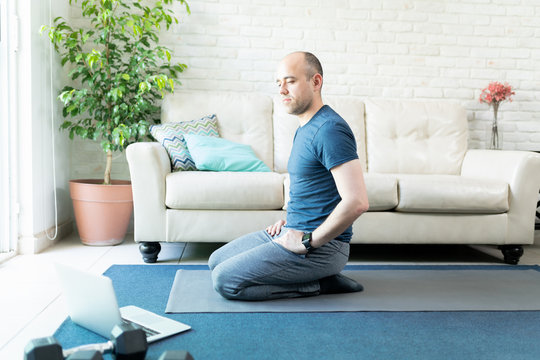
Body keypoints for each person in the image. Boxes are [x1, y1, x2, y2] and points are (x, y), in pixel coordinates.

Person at [208, 51, 369, 301]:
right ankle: (312, 275)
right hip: (292, 230)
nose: (281, 90)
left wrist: (308, 240)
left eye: (290, 81)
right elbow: (314, 190)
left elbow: (357, 202)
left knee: (226, 281)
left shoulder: (330, 130)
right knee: (215, 261)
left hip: (321, 249)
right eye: (278, 83)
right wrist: (290, 220)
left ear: (316, 82)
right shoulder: (305, 128)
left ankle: (320, 284)